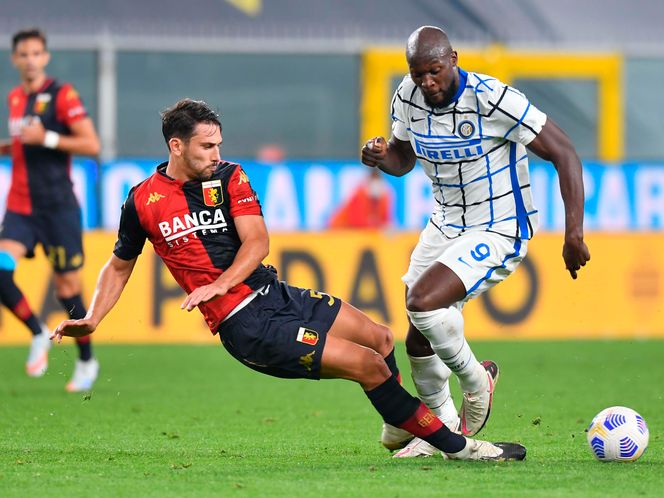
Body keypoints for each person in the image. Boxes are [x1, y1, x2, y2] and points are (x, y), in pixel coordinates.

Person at [52, 98, 526, 462]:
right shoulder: (142, 202)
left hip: (272, 293)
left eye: (219, 143)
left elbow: (257, 244)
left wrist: (220, 281)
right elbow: (119, 264)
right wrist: (93, 316)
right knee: (369, 365)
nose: (218, 153)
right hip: (247, 325)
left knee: (381, 339)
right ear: (176, 146)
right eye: (206, 146)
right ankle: (459, 448)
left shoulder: (230, 178)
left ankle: (403, 429)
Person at [361, 26, 591, 457]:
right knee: (416, 340)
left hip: (500, 225)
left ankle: (476, 380)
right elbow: (403, 158)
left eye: (434, 71)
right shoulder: (407, 96)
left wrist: (574, 232)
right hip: (445, 223)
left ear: (453, 60)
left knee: (423, 303)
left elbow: (564, 151)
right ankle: (441, 432)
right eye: (418, 73)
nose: (427, 82)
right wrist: (380, 158)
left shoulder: (492, 98)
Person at [0, 28, 101, 391]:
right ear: (15, 59)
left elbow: (91, 144)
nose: (29, 60)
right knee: (0, 268)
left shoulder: (62, 95)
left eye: (36, 53)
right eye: (23, 54)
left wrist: (49, 138)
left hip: (57, 208)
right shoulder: (14, 98)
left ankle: (88, 361)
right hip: (21, 207)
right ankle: (38, 331)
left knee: (67, 288)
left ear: (45, 57)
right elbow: (23, 145)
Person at [329, 168, 393, 229]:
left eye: (377, 178)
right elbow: (356, 221)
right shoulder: (359, 194)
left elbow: (385, 220)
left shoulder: (385, 195)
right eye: (373, 178)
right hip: (341, 229)